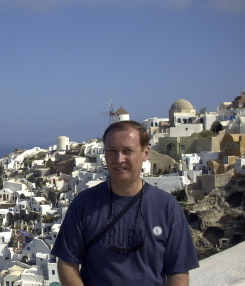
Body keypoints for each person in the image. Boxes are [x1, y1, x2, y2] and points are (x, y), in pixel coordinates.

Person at [50, 120, 199, 286]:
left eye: (128, 151)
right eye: (112, 151)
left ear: (145, 153)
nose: (119, 159)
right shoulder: (83, 204)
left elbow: (178, 273)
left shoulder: (167, 207)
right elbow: (67, 264)